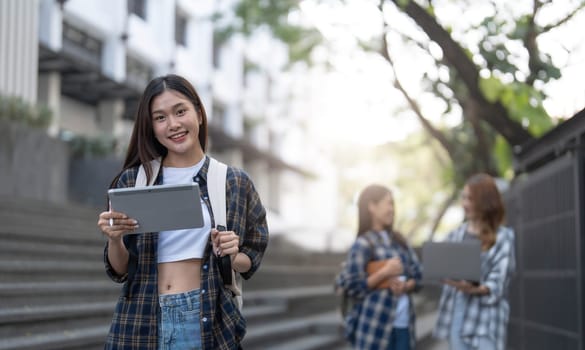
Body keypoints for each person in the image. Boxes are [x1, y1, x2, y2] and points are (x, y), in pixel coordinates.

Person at [97, 74, 269, 350]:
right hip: (139, 319)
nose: (173, 124)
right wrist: (114, 239)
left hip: (204, 317)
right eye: (160, 117)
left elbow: (253, 256)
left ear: (199, 114)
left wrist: (233, 254)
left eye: (180, 111)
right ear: (151, 126)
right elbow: (119, 270)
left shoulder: (233, 182)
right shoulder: (133, 181)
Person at [433, 173, 516, 350]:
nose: (465, 204)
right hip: (458, 314)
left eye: (470, 199)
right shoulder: (455, 236)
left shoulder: (504, 237)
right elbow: (440, 269)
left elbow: (499, 280)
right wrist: (442, 275)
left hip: (486, 318)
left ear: (484, 202)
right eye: (463, 198)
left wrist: (476, 288)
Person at [335, 184, 423, 350]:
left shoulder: (400, 241)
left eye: (393, 204)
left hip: (404, 327)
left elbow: (419, 276)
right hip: (374, 328)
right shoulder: (363, 244)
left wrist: (405, 286)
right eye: (388, 203)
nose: (392, 209)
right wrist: (385, 272)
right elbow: (352, 286)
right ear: (372, 207)